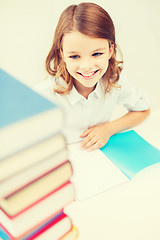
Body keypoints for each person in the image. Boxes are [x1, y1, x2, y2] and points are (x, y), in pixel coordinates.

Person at [34, 2, 150, 151]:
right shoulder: (44, 93)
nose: (86, 66)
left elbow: (143, 110)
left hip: (101, 158)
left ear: (110, 50)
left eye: (96, 54)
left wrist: (108, 129)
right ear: (62, 54)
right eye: (75, 56)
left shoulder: (114, 81)